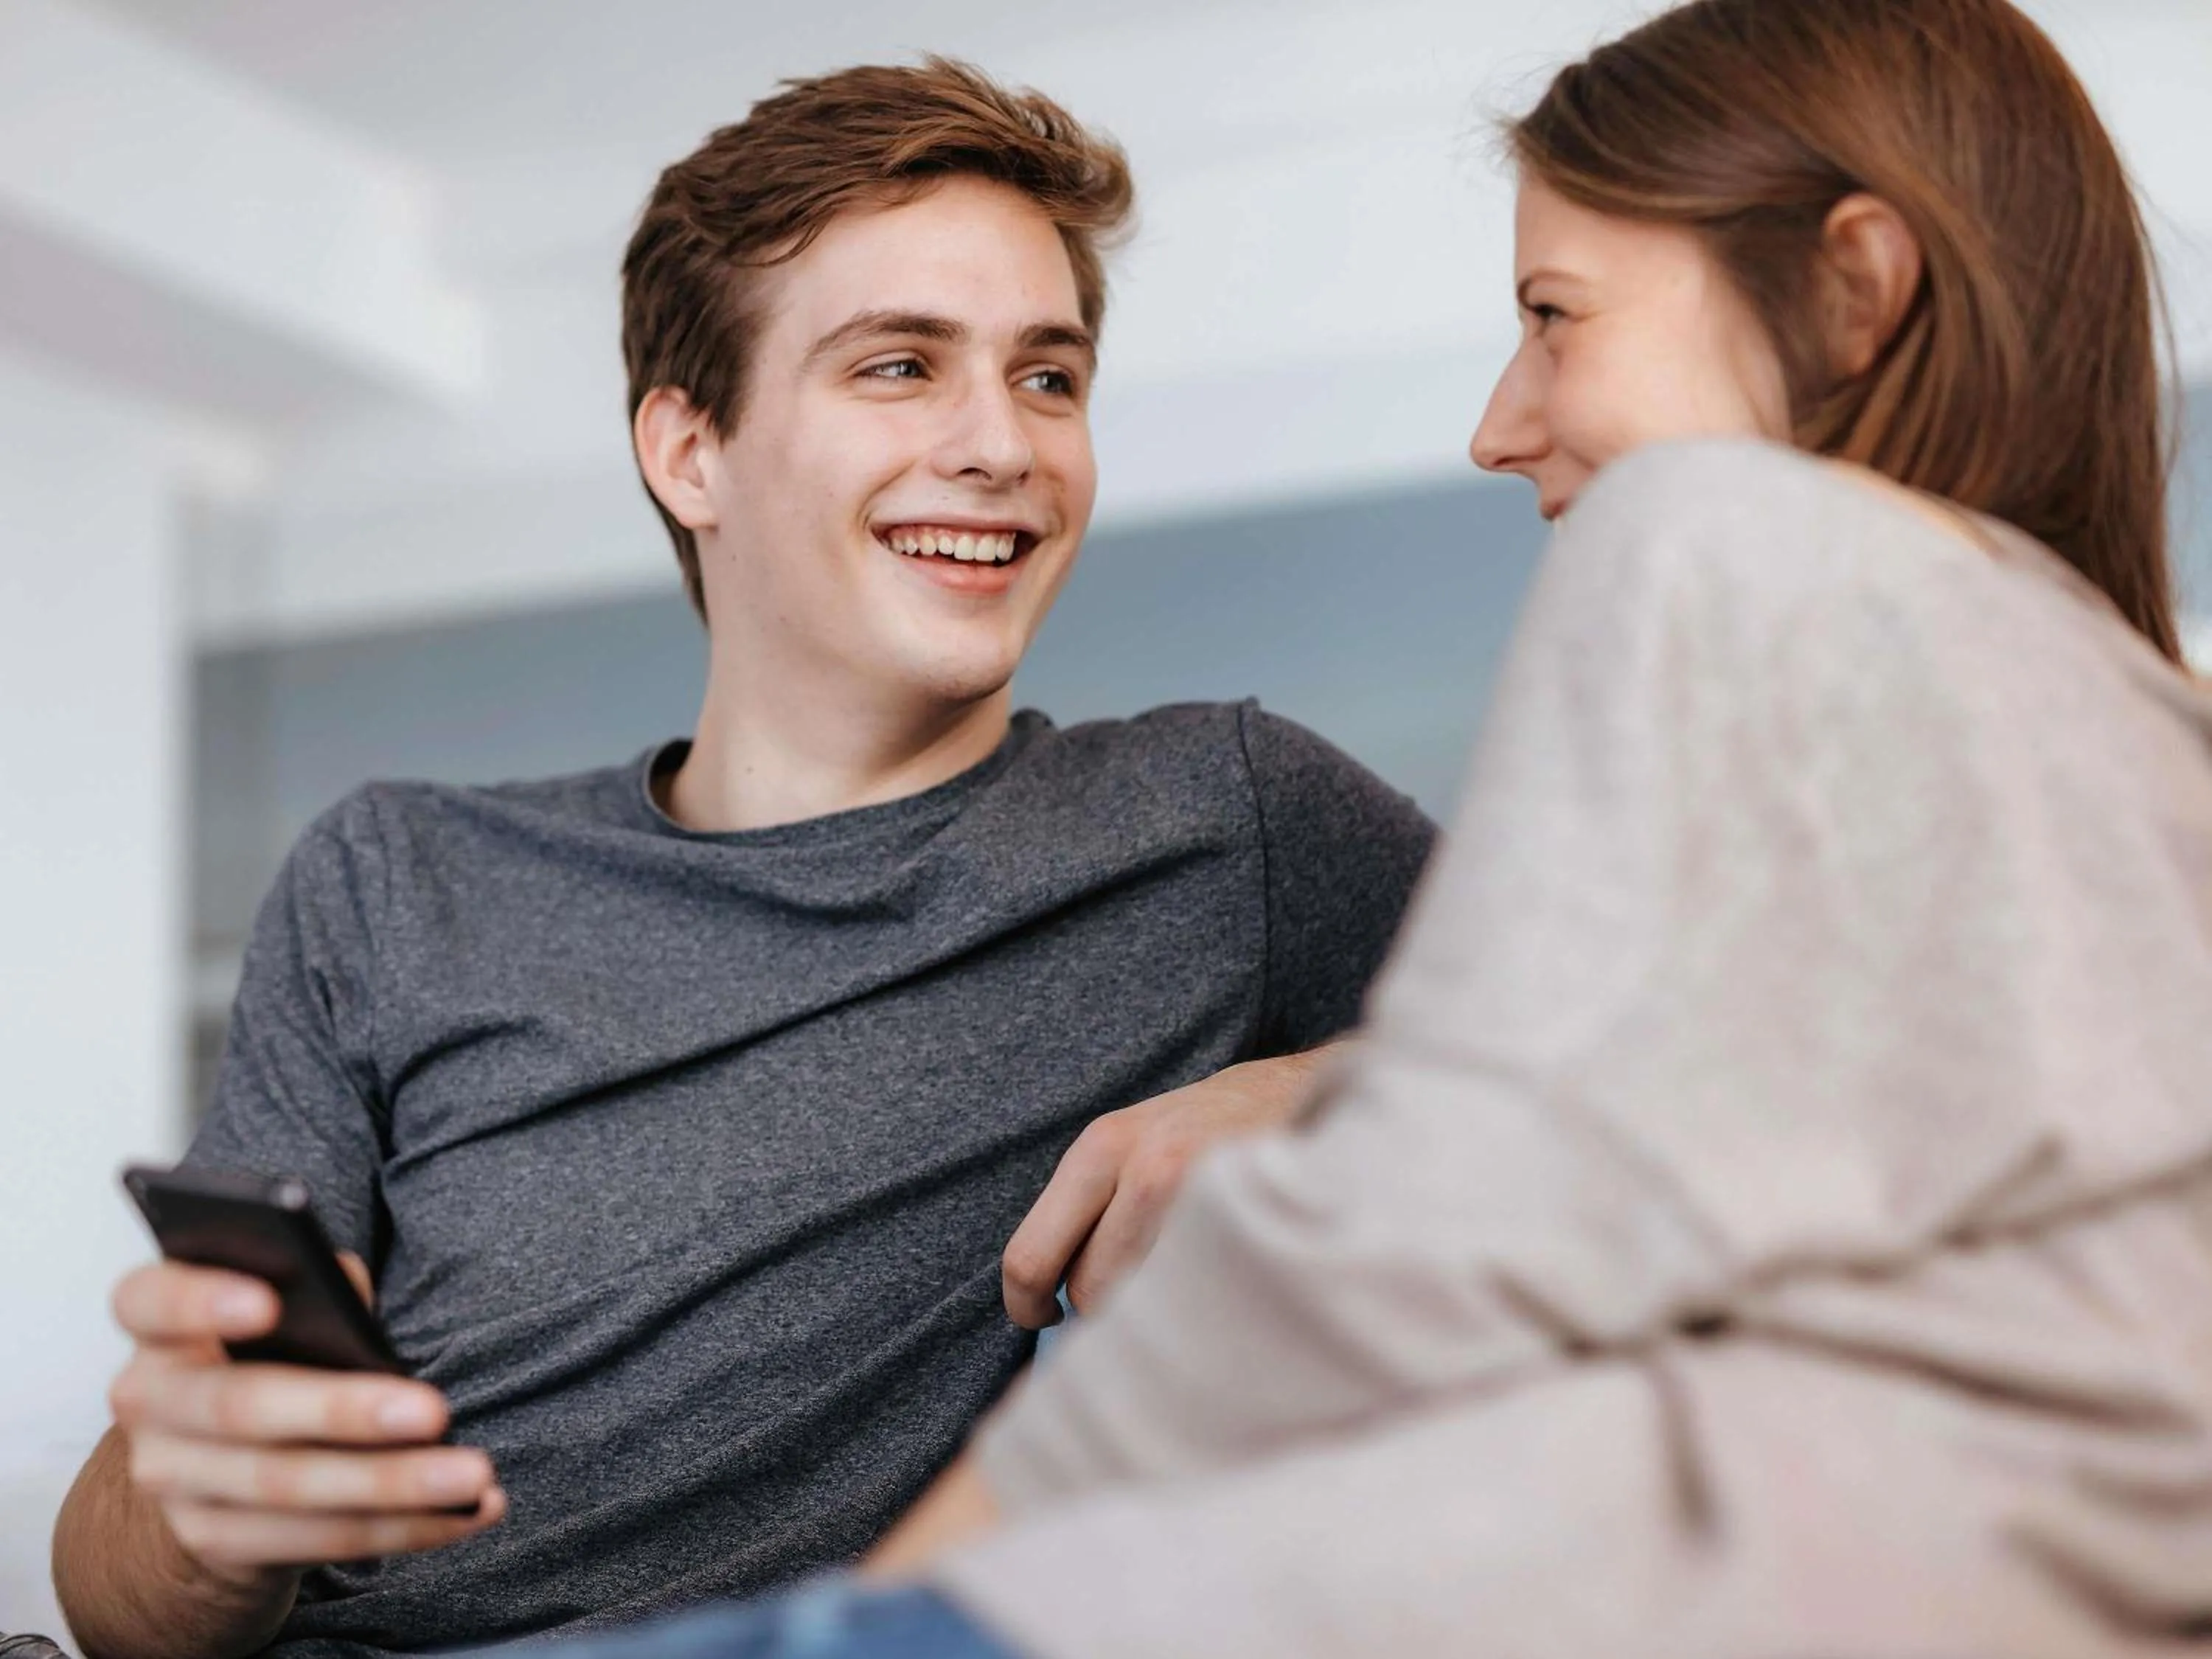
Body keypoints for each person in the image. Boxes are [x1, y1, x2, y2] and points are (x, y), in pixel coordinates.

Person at [463, 0, 2212, 1652]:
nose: (1498, 422)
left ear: (1851, 293)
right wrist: (1335, 1085)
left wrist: (904, 1602)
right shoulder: (2142, 741)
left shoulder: (1719, 543)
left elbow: (1380, 1269)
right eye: (900, 368)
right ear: (687, 454)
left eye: (1555, 316)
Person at [50, 60, 1435, 1659]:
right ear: (688, 452)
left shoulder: (1227, 818)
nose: (1003, 445)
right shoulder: (390, 876)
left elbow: (1696, 1058)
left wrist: (1323, 1092)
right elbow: (122, 1609)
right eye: (903, 366)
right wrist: (200, 1499)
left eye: (1049, 378)